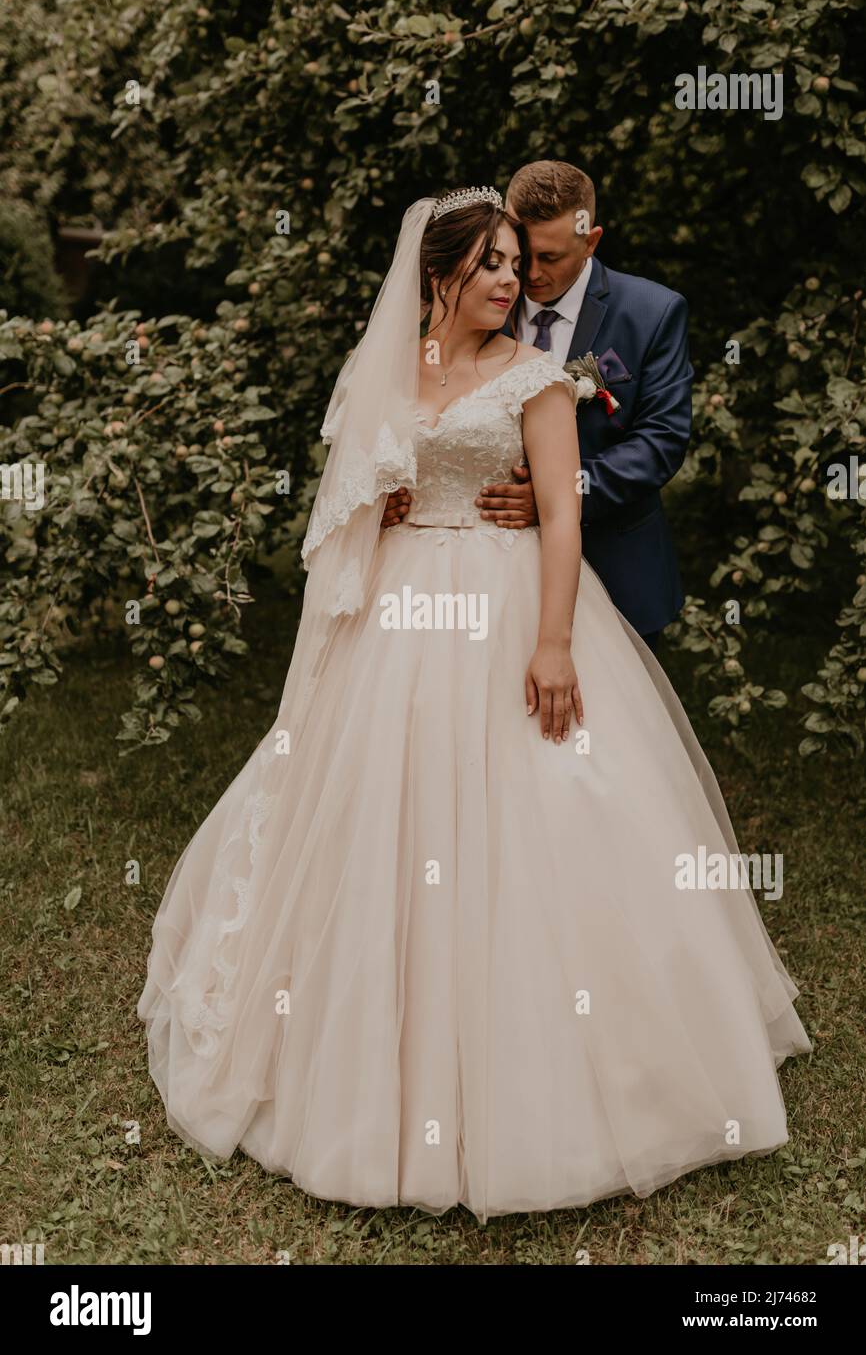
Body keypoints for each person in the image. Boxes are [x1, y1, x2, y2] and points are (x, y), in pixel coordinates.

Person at [138, 188, 811, 1225]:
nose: (513, 280)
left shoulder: (538, 378)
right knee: (381, 820)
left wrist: (551, 644)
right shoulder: (384, 369)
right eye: (492, 263)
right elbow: (344, 500)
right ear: (440, 272)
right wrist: (385, 503)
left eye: (517, 262)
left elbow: (560, 513)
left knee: (550, 810)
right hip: (400, 614)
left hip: (509, 604)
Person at [382, 161, 692, 653]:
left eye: (548, 257)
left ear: (590, 241)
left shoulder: (651, 313)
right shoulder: (481, 304)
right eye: (521, 253)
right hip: (482, 571)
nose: (528, 273)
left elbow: (661, 441)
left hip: (615, 559)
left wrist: (559, 492)